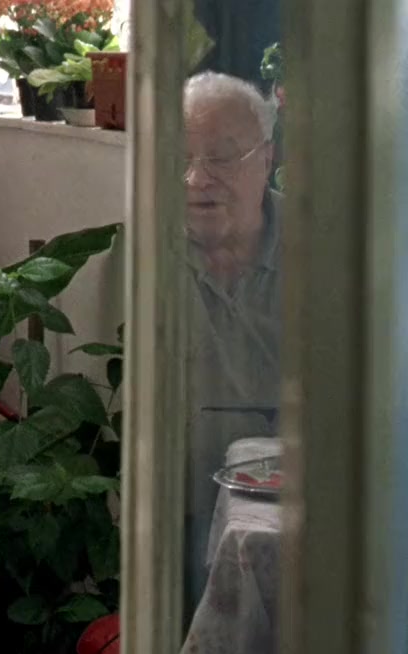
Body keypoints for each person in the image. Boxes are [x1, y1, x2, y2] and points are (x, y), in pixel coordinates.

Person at [182, 71, 282, 602]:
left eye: (220, 158)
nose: (196, 178)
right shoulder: (143, 254)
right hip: (174, 523)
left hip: (290, 528)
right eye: (181, 158)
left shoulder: (325, 254)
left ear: (266, 159)